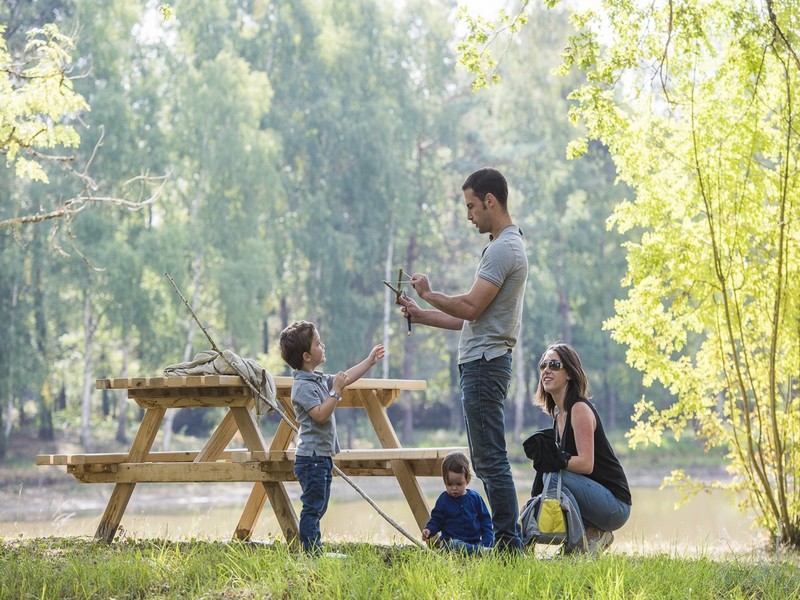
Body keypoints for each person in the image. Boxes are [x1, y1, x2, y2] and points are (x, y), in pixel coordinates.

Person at [398, 167, 528, 553]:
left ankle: (509, 547)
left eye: (471, 206)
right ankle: (509, 545)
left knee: (490, 462)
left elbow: (470, 306)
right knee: (487, 461)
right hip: (481, 361)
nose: (468, 214)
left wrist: (429, 294)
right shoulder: (502, 246)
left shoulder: (504, 248)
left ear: (491, 201)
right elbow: (468, 319)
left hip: (486, 365)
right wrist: (420, 314)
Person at [279, 320, 385, 554]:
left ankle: (314, 548)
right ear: (307, 355)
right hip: (311, 458)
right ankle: (311, 553)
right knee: (313, 507)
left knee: (320, 505)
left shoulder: (316, 378)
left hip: (322, 457)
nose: (323, 345)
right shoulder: (302, 386)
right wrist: (336, 391)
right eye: (318, 342)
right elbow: (320, 415)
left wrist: (369, 361)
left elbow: (345, 377)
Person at [532, 342, 632, 553]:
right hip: (594, 502)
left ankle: (578, 545)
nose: (546, 370)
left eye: (554, 365)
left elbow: (586, 464)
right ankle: (592, 535)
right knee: (549, 476)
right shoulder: (559, 415)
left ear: (569, 373)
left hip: (615, 506)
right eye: (543, 365)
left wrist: (555, 461)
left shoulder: (579, 409)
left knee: (555, 476)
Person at [422, 451, 494, 555]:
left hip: (474, 543)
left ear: (467, 480)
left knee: (498, 535)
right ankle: (482, 553)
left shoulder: (475, 498)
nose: (454, 488)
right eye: (449, 484)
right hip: (452, 545)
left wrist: (487, 543)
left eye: (459, 484)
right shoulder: (443, 500)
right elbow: (436, 520)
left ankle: (482, 550)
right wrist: (429, 529)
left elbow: (486, 522)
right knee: (454, 544)